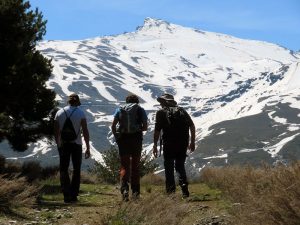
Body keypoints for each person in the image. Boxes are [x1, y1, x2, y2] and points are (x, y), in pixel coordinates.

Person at [152, 93, 195, 198]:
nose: (160, 104)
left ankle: (171, 193)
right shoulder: (182, 111)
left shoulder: (161, 113)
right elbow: (192, 126)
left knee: (169, 167)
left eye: (161, 102)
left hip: (168, 143)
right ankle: (184, 188)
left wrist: (155, 145)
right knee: (180, 166)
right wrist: (192, 141)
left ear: (164, 102)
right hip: (182, 143)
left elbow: (157, 130)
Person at [54, 93, 90, 203]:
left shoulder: (59, 112)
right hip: (77, 144)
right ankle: (74, 195)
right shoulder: (80, 113)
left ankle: (66, 194)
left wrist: (58, 144)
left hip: (64, 144)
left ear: (68, 101)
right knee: (76, 169)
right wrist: (87, 147)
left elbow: (56, 131)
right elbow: (85, 131)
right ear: (78, 102)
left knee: (63, 169)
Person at [111, 94, 148, 201]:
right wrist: (138, 128)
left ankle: (125, 189)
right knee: (135, 166)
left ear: (126, 101)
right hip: (136, 139)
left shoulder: (119, 109)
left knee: (124, 165)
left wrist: (117, 136)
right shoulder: (140, 110)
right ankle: (135, 193)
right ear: (137, 101)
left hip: (123, 140)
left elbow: (113, 126)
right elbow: (145, 127)